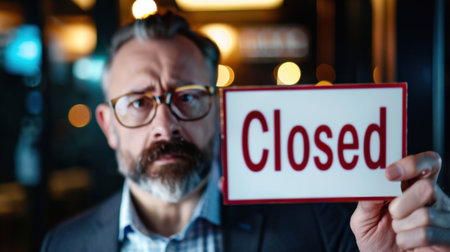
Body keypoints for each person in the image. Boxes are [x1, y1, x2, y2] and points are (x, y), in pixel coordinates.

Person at [41, 11, 450, 252]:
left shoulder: (319, 226)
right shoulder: (64, 245)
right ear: (108, 126)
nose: (166, 125)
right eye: (139, 102)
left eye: (187, 97)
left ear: (217, 108)